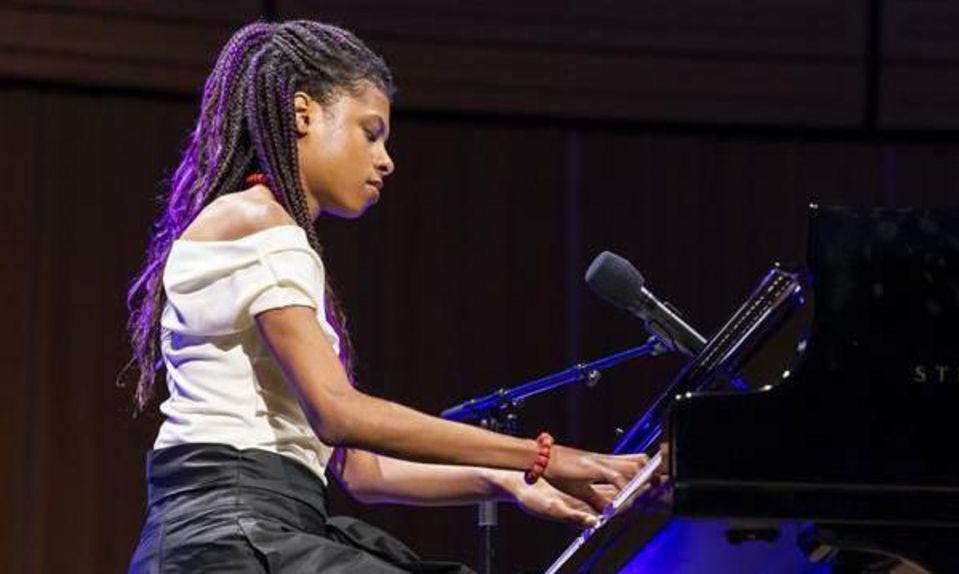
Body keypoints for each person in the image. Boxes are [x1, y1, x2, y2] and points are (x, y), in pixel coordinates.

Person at [124, 20, 648, 573]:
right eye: (370, 132)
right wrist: (543, 457)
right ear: (302, 114)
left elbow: (362, 472)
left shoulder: (258, 226)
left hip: (239, 532)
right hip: (232, 535)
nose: (385, 159)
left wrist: (508, 479)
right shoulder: (260, 222)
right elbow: (338, 414)